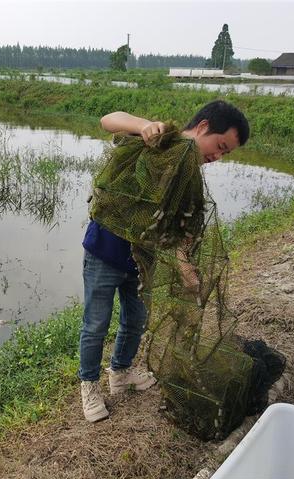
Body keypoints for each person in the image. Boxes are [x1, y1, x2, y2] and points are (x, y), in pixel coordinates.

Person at [79, 100, 250, 422]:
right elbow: (108, 118)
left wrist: (185, 266)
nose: (217, 156)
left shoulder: (190, 175)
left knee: (136, 320)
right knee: (96, 324)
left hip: (142, 261)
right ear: (202, 128)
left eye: (225, 154)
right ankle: (89, 385)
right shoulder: (157, 140)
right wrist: (143, 124)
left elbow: (176, 230)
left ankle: (120, 372)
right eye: (220, 146)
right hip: (105, 251)